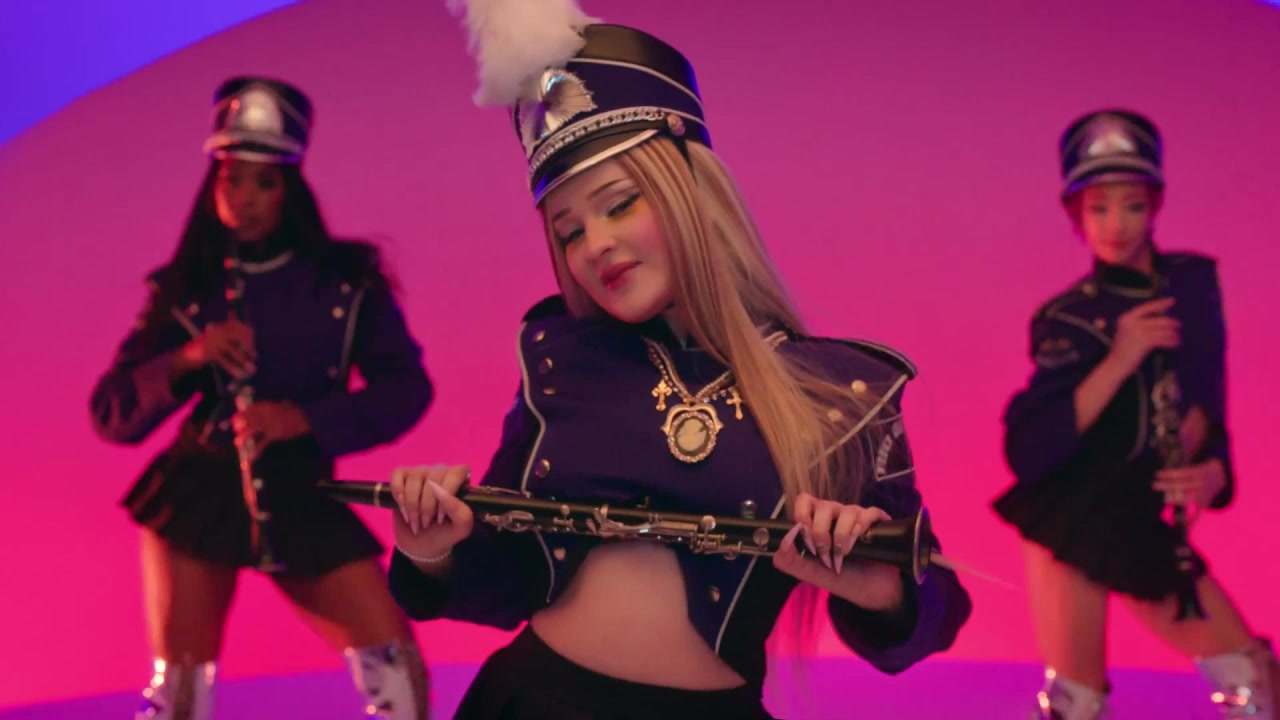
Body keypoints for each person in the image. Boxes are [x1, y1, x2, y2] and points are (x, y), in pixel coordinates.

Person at [384, 5, 972, 718]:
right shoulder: (560, 361)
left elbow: (931, 619)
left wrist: (879, 587)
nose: (594, 246)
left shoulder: (841, 394)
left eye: (619, 204)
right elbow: (507, 582)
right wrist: (431, 548)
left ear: (689, 194)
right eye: (568, 232)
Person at [90, 77, 434, 720]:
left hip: (300, 489)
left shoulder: (346, 282)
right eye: (231, 179)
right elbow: (111, 414)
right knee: (181, 696)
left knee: (400, 675)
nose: (244, 198)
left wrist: (306, 418)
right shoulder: (185, 286)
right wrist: (188, 357)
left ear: (290, 188)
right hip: (196, 491)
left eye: (264, 183)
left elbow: (407, 390)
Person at [991, 109, 1277, 719]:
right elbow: (1029, 451)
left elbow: (1209, 402)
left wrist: (1215, 471)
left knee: (1253, 682)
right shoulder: (1068, 316)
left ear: (1156, 205)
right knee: (1077, 702)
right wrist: (1120, 357)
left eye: (1133, 205)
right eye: (1098, 208)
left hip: (1140, 517)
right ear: (1075, 214)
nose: (1116, 224)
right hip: (1070, 512)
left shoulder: (1192, 285)